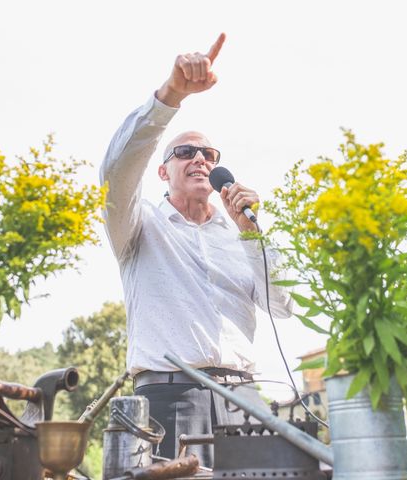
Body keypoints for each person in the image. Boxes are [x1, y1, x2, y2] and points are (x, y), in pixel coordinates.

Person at [100, 33, 293, 467]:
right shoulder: (137, 226)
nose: (200, 159)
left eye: (208, 152)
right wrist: (171, 96)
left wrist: (252, 236)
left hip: (245, 396)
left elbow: (283, 306)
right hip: (170, 397)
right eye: (185, 152)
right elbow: (116, 171)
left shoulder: (238, 232)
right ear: (162, 171)